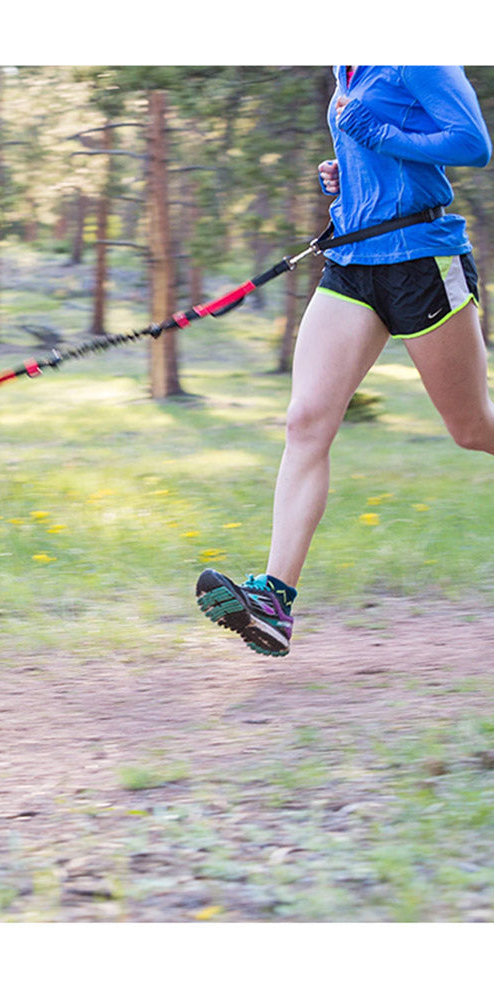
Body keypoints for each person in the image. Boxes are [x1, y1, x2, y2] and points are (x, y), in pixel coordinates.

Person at [196, 65, 493, 657]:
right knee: (305, 420)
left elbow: (472, 145)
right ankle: (273, 601)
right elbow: (381, 154)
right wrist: (348, 175)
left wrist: (381, 138)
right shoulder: (345, 64)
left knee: (472, 428)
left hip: (420, 258)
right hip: (353, 260)